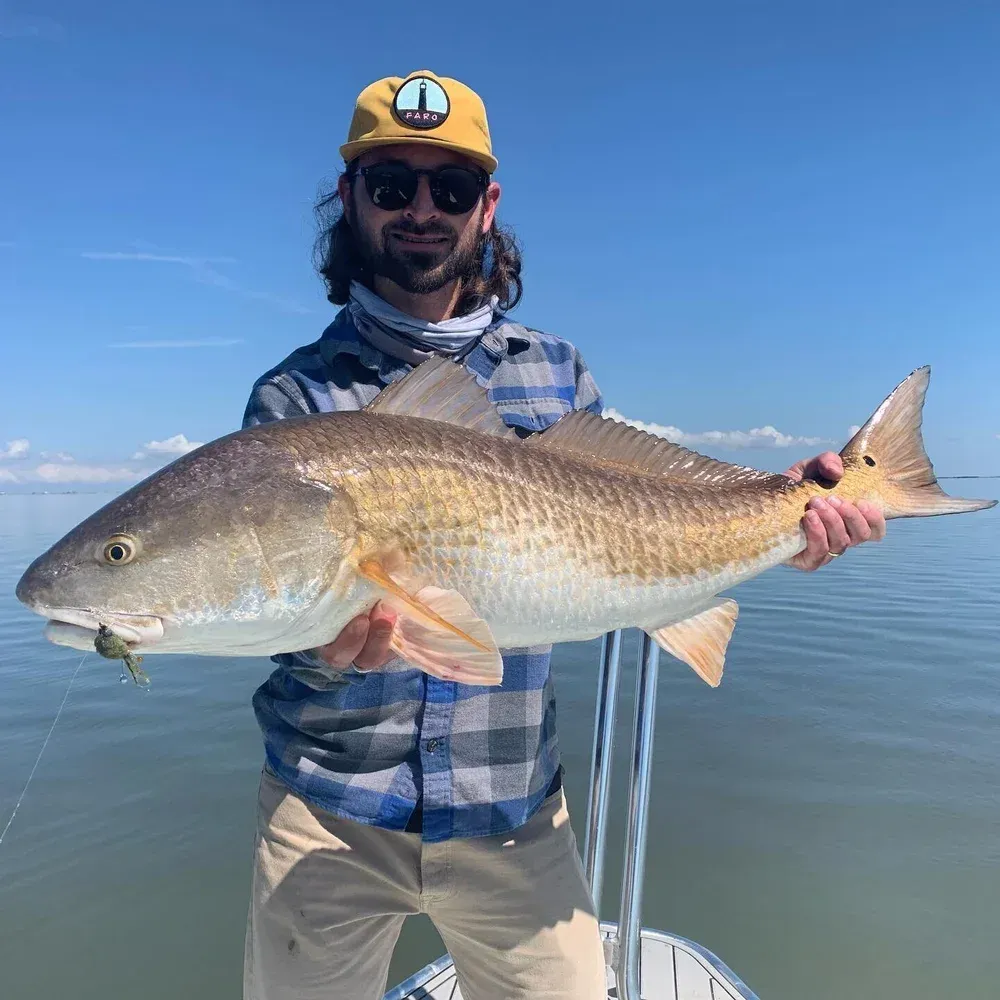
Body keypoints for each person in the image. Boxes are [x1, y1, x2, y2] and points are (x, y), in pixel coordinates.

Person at [240, 70, 887, 1000]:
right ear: (349, 198)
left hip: (513, 810)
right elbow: (283, 614)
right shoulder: (293, 398)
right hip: (328, 815)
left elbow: (639, 520)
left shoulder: (554, 370)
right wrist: (325, 648)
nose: (422, 209)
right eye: (391, 185)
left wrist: (793, 513)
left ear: (486, 205)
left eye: (451, 188)